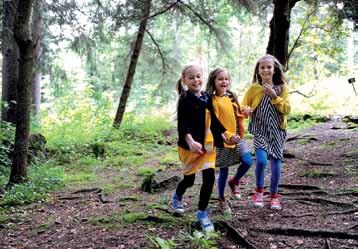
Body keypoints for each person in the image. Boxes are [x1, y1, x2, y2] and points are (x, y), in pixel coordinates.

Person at [171, 64, 236, 233]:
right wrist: (190, 141)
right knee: (189, 180)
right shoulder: (185, 98)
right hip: (189, 147)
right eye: (191, 77)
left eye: (198, 76)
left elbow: (214, 121)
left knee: (209, 178)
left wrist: (227, 134)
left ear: (202, 77)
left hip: (208, 146)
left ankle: (202, 213)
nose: (195, 80)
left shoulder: (207, 97)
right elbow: (182, 123)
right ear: (184, 80)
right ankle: (177, 196)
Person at [241, 54, 291, 210]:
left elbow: (287, 109)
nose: (265, 70)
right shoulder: (254, 88)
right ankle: (259, 191)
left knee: (276, 163)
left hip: (277, 131)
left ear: (274, 69)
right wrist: (246, 110)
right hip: (260, 130)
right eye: (262, 67)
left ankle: (274, 196)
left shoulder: (282, 88)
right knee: (262, 161)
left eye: (269, 67)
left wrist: (275, 96)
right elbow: (242, 106)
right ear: (258, 70)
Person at [206, 68, 253, 214]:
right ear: (213, 81)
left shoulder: (231, 96)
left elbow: (237, 111)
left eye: (226, 79)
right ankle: (221, 199)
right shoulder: (211, 100)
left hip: (237, 138)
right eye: (220, 79)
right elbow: (213, 123)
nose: (224, 82)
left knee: (248, 161)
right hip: (222, 140)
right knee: (223, 170)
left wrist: (245, 110)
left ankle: (234, 181)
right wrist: (226, 135)